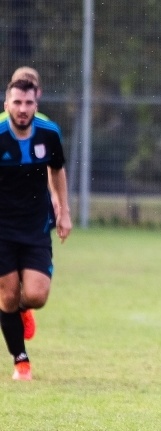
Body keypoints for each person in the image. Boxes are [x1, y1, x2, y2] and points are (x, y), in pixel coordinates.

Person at [0, 78, 72, 380]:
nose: (23, 109)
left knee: (36, 295)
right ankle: (21, 362)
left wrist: (63, 211)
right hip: (2, 228)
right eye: (17, 102)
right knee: (7, 294)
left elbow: (57, 170)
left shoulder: (49, 133)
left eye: (28, 103)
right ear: (7, 104)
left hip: (35, 226)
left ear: (35, 105)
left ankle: (19, 310)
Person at [0, 67, 52, 341]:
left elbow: (52, 167)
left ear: (37, 95)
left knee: (34, 287)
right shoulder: (2, 125)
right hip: (6, 215)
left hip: (34, 213)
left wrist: (58, 203)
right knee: (8, 283)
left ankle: (22, 305)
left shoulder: (45, 126)